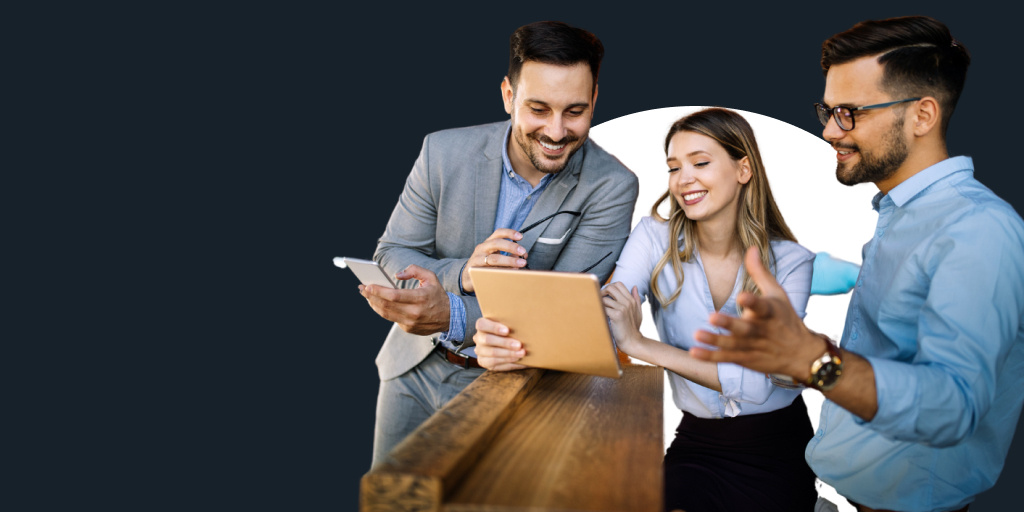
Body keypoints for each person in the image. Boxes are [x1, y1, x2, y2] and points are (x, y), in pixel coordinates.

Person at [690, 16, 1024, 512]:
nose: (829, 130)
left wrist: (814, 360)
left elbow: (953, 406)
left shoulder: (977, 230)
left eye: (849, 112)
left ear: (922, 115)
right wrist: (787, 356)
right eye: (828, 110)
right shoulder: (902, 213)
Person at [477, 108, 818, 512]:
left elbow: (757, 385)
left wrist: (639, 344)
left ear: (743, 169)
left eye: (701, 163)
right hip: (699, 443)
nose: (683, 178)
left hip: (776, 448)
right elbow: (603, 313)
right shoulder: (654, 238)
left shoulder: (793, 262)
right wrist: (512, 341)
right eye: (674, 167)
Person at [358, 21, 639, 466]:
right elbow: (393, 252)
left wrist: (450, 313)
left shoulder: (613, 186)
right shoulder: (441, 152)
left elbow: (560, 313)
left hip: (514, 387)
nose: (556, 131)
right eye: (539, 109)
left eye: (575, 111)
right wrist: (463, 275)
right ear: (508, 95)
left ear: (595, 101)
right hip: (409, 372)